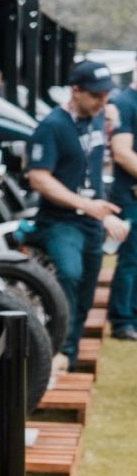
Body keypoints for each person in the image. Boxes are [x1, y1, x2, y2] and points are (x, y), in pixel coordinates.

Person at [25, 61, 122, 368]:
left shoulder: (97, 118)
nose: (103, 102)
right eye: (96, 95)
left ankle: (70, 351)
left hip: (91, 221)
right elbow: (38, 178)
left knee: (86, 291)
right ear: (75, 91)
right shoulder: (52, 126)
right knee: (68, 275)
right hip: (60, 221)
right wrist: (85, 203)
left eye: (106, 95)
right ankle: (56, 352)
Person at [106, 71, 137, 341]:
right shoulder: (125, 102)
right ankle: (122, 320)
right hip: (130, 195)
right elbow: (122, 152)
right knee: (130, 259)